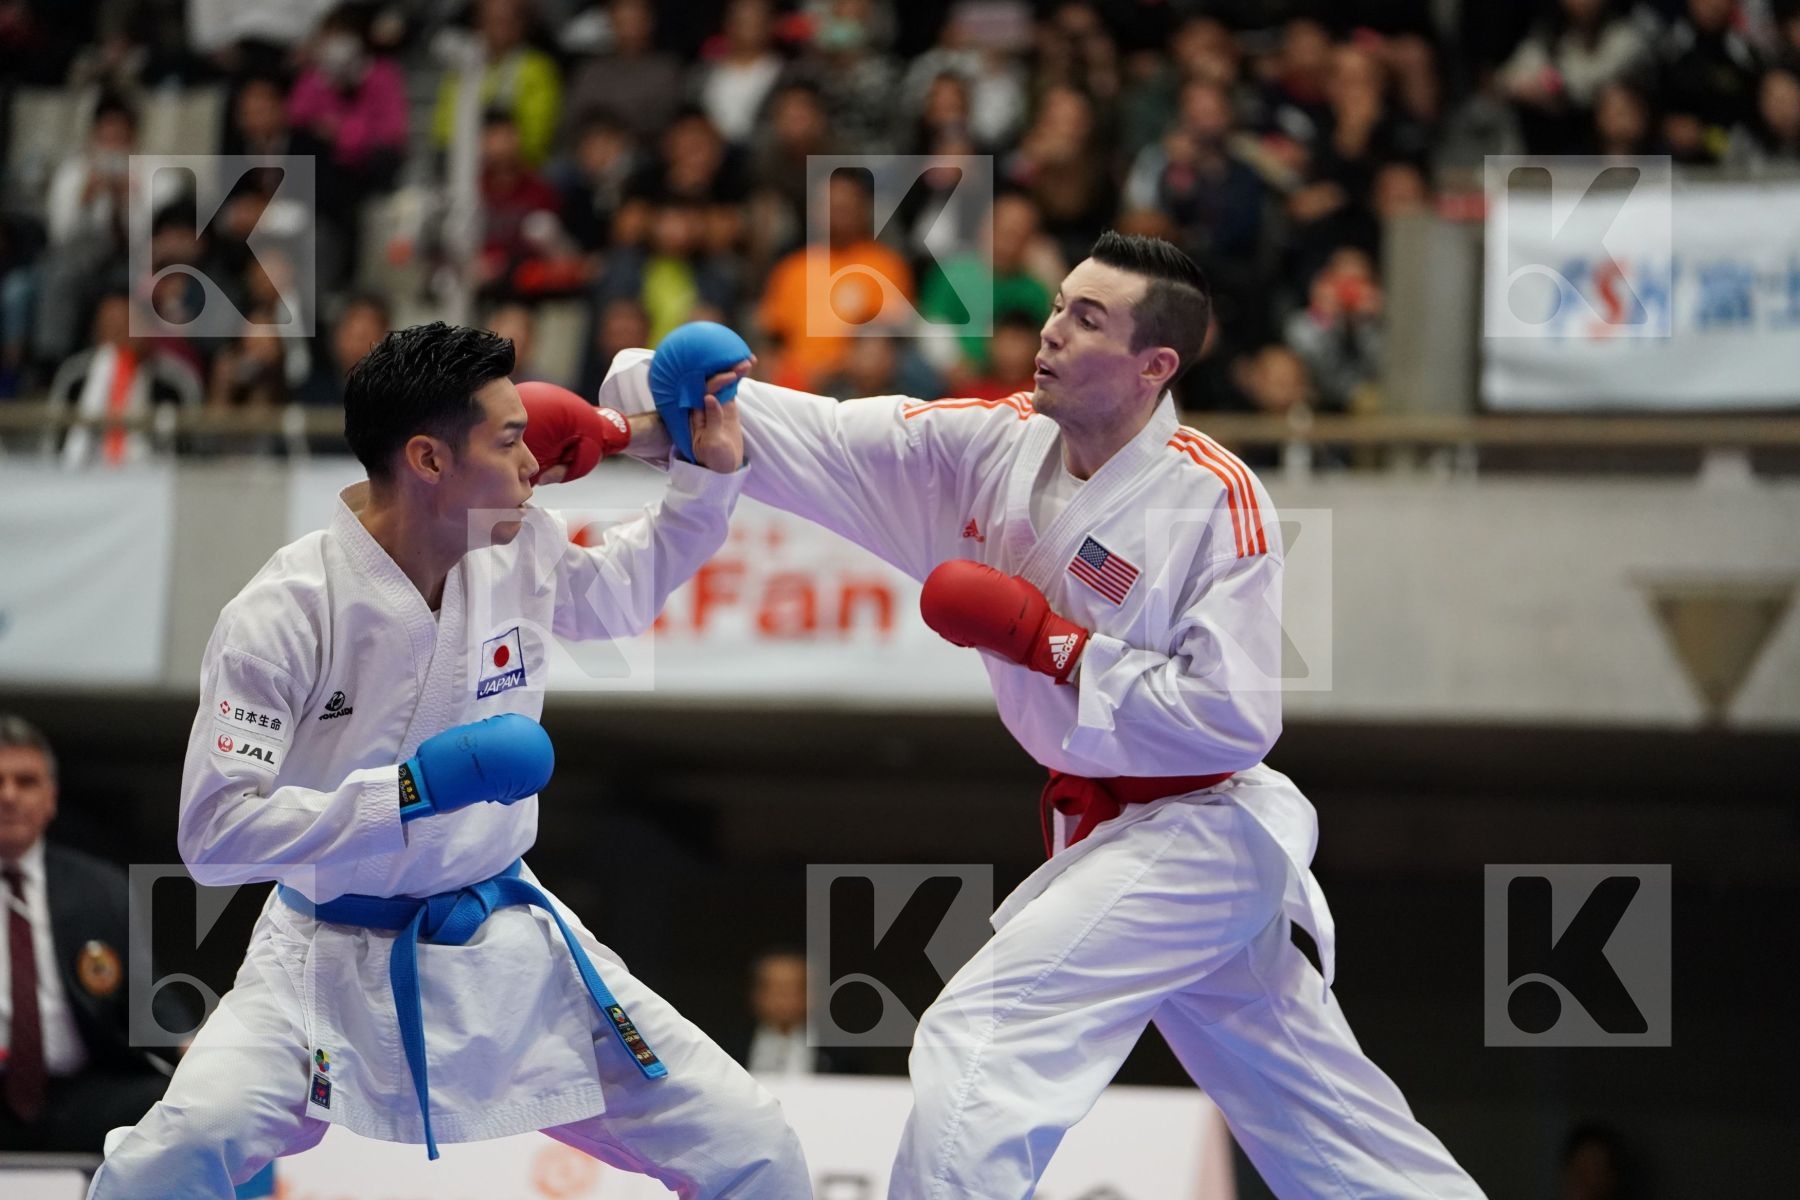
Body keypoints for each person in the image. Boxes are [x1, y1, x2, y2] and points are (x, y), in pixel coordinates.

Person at [603, 233, 1485, 1199]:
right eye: (1061, 306)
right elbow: (818, 436)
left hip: (1202, 825)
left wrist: (1056, 646)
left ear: (1156, 367)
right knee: (1323, 1117)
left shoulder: (1216, 499)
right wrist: (641, 410)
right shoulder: (991, 445)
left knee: (986, 1035)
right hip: (1109, 827)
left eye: (1088, 320)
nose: (1052, 332)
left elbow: (1234, 720)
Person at [88, 323, 809, 1198]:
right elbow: (214, 837)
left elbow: (621, 594)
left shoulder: (518, 546)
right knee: (169, 1156)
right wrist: (408, 793)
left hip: (507, 942)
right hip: (322, 956)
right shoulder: (284, 613)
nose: (533, 463)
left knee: (753, 1145)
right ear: (428, 460)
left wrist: (703, 475)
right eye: (508, 441)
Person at [0, 715, 196, 1153]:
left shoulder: (97, 888)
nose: (9, 795)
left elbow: (147, 1000)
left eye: (26, 781)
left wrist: (196, 1050)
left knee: (176, 1102)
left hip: (78, 1096)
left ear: (50, 798)